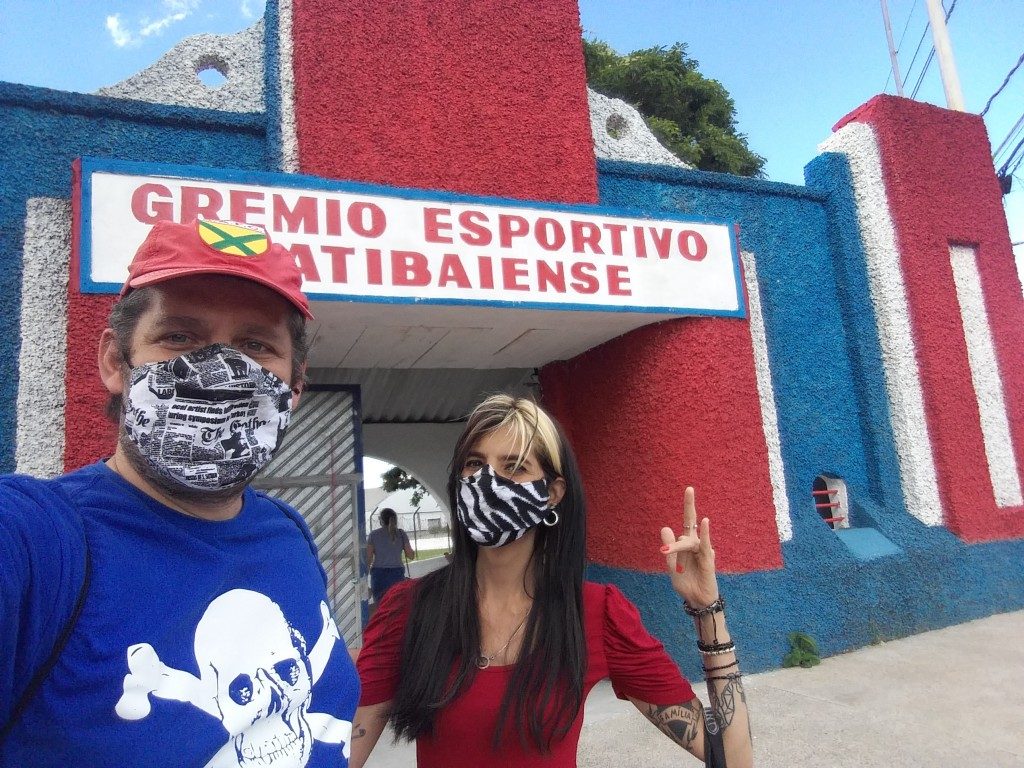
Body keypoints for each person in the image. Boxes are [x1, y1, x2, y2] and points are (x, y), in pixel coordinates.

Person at [0, 219, 360, 766]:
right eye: (180, 337)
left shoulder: (287, 532)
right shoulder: (36, 542)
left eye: (255, 345)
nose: (218, 371)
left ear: (295, 388)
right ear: (115, 361)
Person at [350, 395, 753, 767]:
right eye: (474, 464)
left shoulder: (596, 614)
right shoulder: (410, 610)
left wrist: (707, 608)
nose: (488, 481)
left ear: (553, 493)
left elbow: (733, 760)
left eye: (514, 466)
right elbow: (337, 748)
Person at [366, 508, 416, 604]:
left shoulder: (373, 535)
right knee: (396, 605)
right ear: (395, 519)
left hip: (378, 575)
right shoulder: (401, 534)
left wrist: (364, 579)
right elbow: (411, 555)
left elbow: (368, 558)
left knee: (381, 606)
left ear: (381, 520)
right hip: (397, 575)